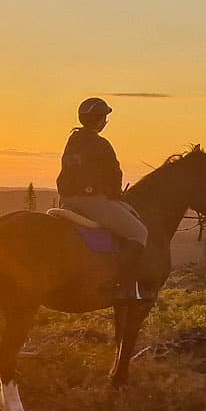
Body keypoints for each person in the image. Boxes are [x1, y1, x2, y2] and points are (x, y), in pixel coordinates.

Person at [56, 97, 148, 301]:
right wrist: (115, 194)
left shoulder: (74, 139)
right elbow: (114, 174)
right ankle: (124, 287)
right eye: (104, 117)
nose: (105, 121)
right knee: (139, 231)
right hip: (91, 201)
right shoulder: (100, 143)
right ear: (99, 120)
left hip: (67, 200)